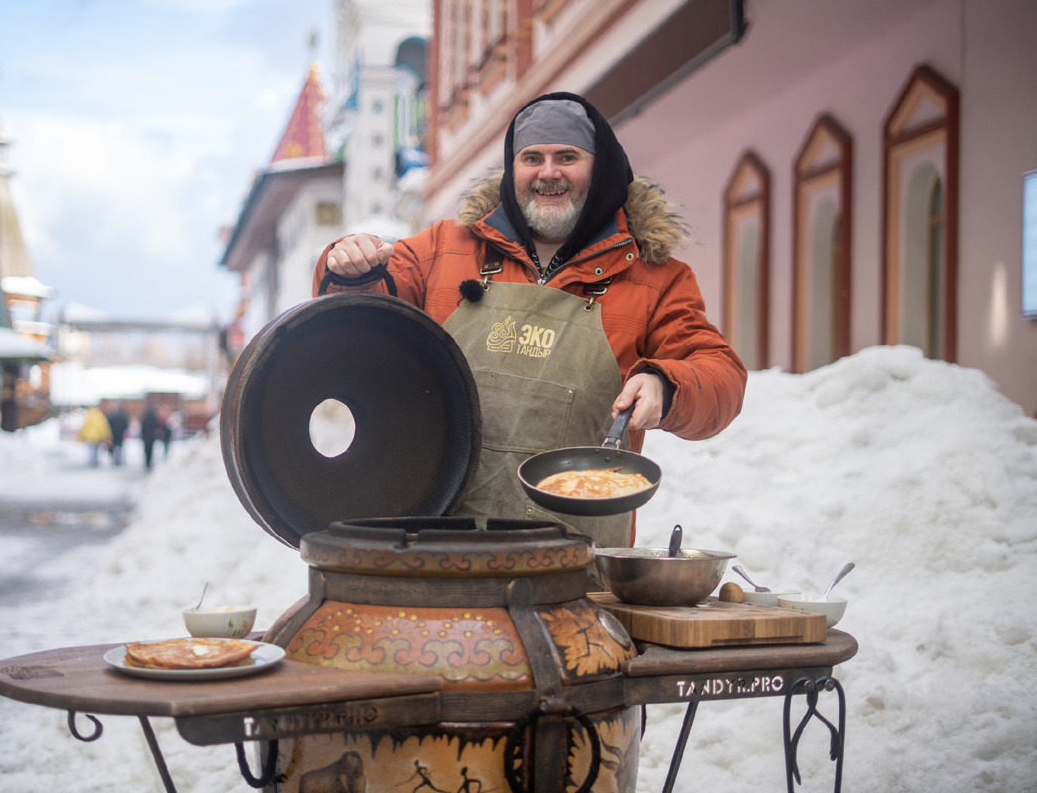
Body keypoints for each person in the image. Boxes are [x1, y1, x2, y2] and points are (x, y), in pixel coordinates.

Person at [314, 92, 746, 563]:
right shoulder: (443, 250)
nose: (548, 173)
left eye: (568, 157)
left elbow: (721, 375)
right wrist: (348, 267)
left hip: (576, 568)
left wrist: (669, 385)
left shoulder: (655, 279)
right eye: (532, 158)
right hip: (434, 554)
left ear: (599, 169)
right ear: (512, 169)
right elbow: (360, 322)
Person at [140, 404, 163, 471]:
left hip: (146, 436)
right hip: (152, 436)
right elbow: (157, 426)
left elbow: (143, 427)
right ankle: (149, 461)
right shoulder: (154, 418)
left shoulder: (145, 418)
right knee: (150, 450)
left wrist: (143, 435)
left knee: (146, 450)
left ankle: (147, 461)